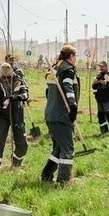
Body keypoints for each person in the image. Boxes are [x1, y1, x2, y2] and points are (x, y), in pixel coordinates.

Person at [40, 44, 80, 184]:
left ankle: (46, 175)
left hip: (51, 114)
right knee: (68, 148)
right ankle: (63, 180)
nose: (76, 59)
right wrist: (73, 106)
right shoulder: (67, 71)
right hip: (62, 115)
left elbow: (47, 92)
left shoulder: (55, 69)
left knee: (58, 147)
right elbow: (68, 88)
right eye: (76, 56)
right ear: (71, 56)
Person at [0, 55, 29, 167]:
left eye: (8, 76)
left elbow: (25, 94)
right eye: (4, 77)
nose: (6, 79)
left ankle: (16, 163)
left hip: (17, 115)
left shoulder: (18, 79)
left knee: (22, 144)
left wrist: (15, 98)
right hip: (2, 116)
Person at [92, 61, 109, 134]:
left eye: (102, 66)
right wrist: (95, 83)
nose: (100, 68)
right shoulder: (98, 76)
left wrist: (106, 83)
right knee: (100, 115)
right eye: (99, 67)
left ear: (106, 67)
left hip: (108, 99)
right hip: (99, 99)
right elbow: (94, 87)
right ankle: (104, 131)